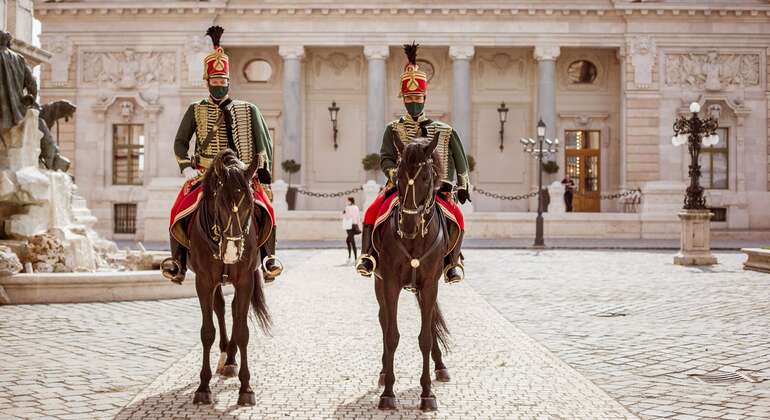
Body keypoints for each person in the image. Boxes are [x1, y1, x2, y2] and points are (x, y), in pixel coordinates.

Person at [161, 26, 283, 284]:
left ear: (229, 83)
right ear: (208, 82)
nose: (219, 87)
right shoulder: (196, 109)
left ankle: (268, 258)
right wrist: (186, 167)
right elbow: (181, 142)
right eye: (215, 83)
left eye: (223, 83)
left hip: (240, 176)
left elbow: (263, 143)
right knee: (178, 209)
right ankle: (178, 262)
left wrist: (263, 173)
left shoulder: (248, 109)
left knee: (266, 210)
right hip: (206, 173)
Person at [355, 42, 471, 283]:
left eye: (417, 96)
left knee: (457, 217)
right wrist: (393, 172)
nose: (413, 101)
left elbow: (460, 160)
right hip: (400, 187)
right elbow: (385, 157)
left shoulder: (444, 130)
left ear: (425, 97)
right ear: (403, 99)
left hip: (435, 189)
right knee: (372, 212)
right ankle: (367, 256)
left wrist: (463, 185)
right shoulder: (393, 128)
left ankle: (453, 263)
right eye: (409, 97)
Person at [342, 196, 361, 264]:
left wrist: (343, 213)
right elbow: (358, 217)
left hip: (349, 226)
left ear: (350, 201)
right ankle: (350, 257)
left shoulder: (347, 208)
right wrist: (359, 226)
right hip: (355, 225)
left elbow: (347, 217)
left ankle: (354, 259)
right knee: (348, 241)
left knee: (352, 242)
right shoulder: (356, 207)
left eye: (347, 201)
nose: (346, 202)